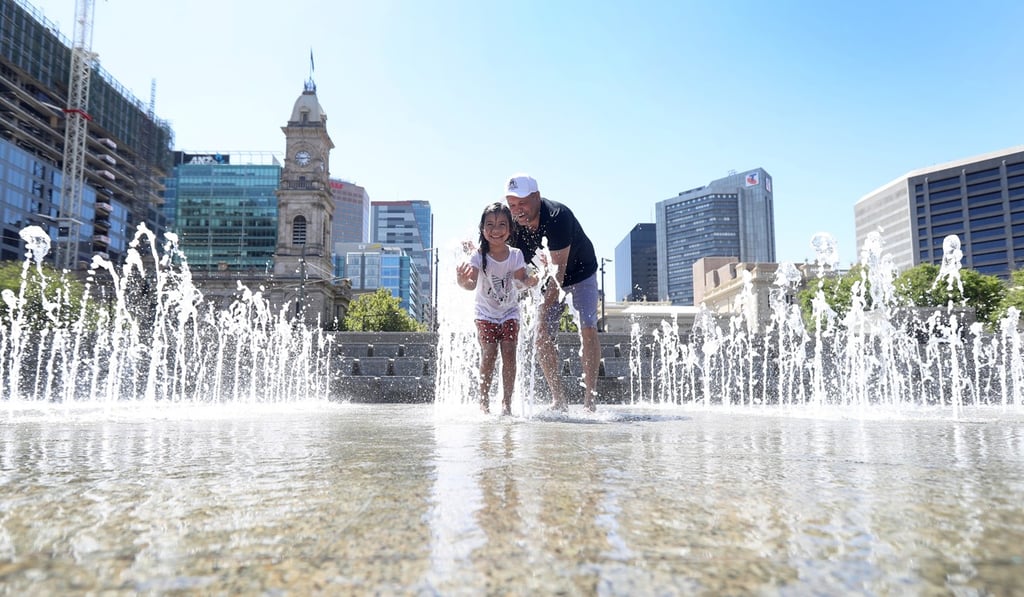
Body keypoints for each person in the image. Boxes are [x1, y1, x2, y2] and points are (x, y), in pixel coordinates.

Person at [504, 173, 600, 412]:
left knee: (588, 327)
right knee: (541, 335)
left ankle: (590, 400)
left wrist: (544, 309)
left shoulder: (558, 216)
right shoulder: (513, 224)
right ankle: (560, 400)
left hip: (579, 273)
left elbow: (559, 276)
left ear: (537, 197)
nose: (517, 210)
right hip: (548, 275)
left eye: (523, 202)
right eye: (512, 204)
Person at [456, 202, 538, 415]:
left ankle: (506, 402)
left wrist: (534, 279)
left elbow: (521, 282)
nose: (496, 230)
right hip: (485, 313)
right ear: (483, 229)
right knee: (490, 353)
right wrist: (461, 280)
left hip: (509, 311)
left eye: (502, 224)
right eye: (490, 224)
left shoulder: (516, 255)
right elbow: (471, 284)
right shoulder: (478, 256)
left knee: (509, 353)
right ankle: (483, 402)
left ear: (510, 229)